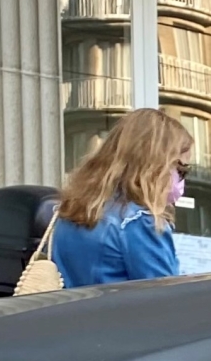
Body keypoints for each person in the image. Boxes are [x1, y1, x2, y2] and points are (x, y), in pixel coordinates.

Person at [49, 108, 192, 287]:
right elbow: (168, 300)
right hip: (119, 315)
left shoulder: (73, 210)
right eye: (182, 169)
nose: (180, 180)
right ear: (157, 164)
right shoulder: (141, 222)